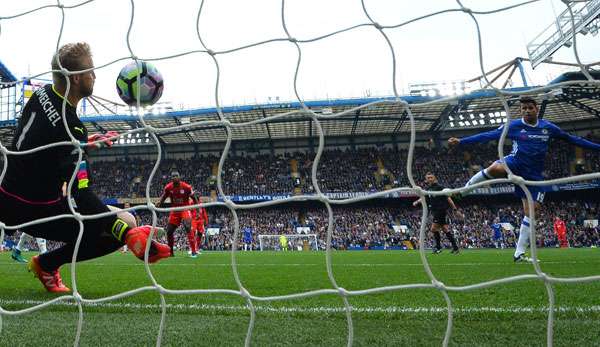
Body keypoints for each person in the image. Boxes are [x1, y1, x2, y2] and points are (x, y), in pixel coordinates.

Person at [0, 42, 170, 293]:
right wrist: (125, 235)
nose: (95, 76)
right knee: (127, 222)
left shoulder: (42, 94)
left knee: (118, 220)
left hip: (6, 196)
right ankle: (47, 263)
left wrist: (83, 144)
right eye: (91, 71)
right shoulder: (72, 126)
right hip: (35, 210)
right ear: (77, 78)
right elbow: (82, 193)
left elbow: (47, 142)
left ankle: (47, 262)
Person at [448, 96, 600, 262]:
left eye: (530, 108)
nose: (527, 111)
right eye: (524, 108)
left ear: (536, 109)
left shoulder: (548, 127)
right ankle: (464, 191)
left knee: (531, 212)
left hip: (534, 175)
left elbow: (573, 139)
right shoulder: (514, 126)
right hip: (515, 163)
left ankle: (518, 253)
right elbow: (489, 135)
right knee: (494, 167)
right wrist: (462, 142)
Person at [413, 172, 461, 254]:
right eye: (428, 178)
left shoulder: (440, 187)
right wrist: (417, 201)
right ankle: (455, 248)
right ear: (426, 179)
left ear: (434, 178)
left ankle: (438, 247)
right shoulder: (429, 189)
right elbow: (425, 197)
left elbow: (448, 198)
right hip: (435, 211)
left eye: (431, 177)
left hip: (440, 210)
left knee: (433, 229)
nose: (430, 179)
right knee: (445, 229)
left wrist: (455, 210)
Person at [157, 171, 200, 257]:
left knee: (188, 227)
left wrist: (198, 211)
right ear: (171, 178)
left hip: (185, 209)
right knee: (169, 231)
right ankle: (171, 252)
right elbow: (164, 196)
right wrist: (159, 203)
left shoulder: (186, 187)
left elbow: (194, 198)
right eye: (173, 176)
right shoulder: (168, 187)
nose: (175, 177)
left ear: (179, 177)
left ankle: (194, 251)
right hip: (175, 210)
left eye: (176, 176)